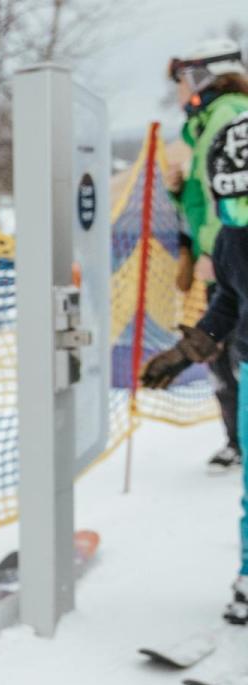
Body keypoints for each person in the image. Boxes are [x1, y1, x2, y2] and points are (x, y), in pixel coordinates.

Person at [144, 109, 248, 620]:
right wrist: (189, 350)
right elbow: (229, 298)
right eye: (232, 203)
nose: (239, 215)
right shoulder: (232, 237)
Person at [166, 39, 248, 473]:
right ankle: (238, 439)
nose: (178, 91)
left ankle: (240, 440)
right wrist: (178, 194)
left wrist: (217, 254)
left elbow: (233, 202)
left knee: (233, 354)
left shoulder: (227, 117)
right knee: (226, 354)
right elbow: (208, 197)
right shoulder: (205, 124)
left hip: (230, 256)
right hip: (222, 254)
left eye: (182, 80)